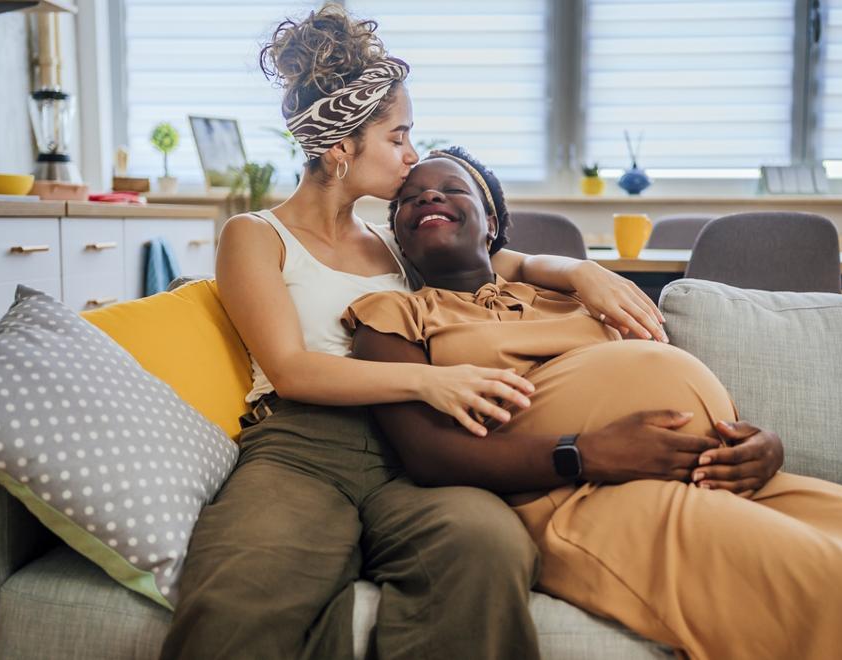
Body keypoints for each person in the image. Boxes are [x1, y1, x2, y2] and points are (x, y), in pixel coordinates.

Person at [340, 147, 842, 660]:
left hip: (722, 476)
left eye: (449, 189)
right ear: (396, 234)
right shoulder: (394, 314)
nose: (426, 198)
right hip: (577, 496)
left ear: (494, 223)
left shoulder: (577, 291)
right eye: (407, 200)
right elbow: (427, 455)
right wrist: (584, 453)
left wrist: (761, 444)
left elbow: (670, 376)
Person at [160, 6, 689, 659]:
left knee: (487, 544)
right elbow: (292, 368)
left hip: (411, 454)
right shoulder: (254, 235)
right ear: (340, 146)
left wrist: (585, 271)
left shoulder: (398, 242)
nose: (413, 156)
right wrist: (430, 380)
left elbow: (512, 261)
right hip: (304, 450)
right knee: (240, 594)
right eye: (399, 136)